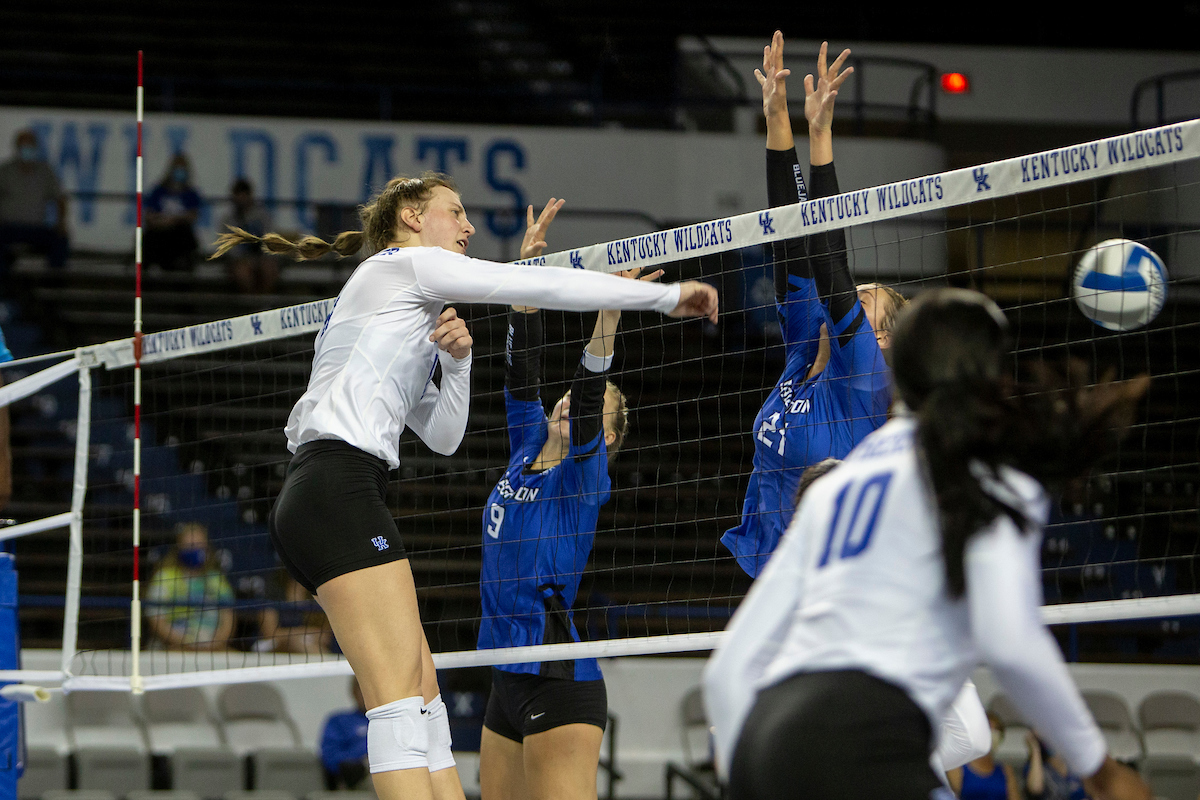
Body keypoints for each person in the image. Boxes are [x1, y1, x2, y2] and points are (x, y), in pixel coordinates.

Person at [213, 171, 718, 800]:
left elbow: (446, 436)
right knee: (397, 698)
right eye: (457, 212)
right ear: (414, 218)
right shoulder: (403, 267)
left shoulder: (406, 308)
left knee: (423, 687)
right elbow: (527, 285)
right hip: (333, 486)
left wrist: (457, 362)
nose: (470, 226)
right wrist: (665, 299)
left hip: (340, 491)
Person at [703, 287, 1151, 800]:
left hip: (771, 743)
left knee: (961, 740)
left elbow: (727, 673)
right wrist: (1099, 769)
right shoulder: (986, 480)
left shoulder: (833, 487)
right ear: (989, 376)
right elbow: (1011, 642)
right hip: (865, 735)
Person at [721, 34, 906, 578]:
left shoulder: (864, 379)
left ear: (885, 339)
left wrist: (820, 136)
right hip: (764, 576)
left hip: (826, 585)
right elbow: (790, 243)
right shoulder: (804, 353)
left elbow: (831, 266)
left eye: (865, 302)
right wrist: (778, 121)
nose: (851, 299)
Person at [477, 266, 657, 800]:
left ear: (602, 436)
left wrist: (607, 316)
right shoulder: (526, 447)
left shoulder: (584, 477)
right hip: (505, 674)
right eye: (569, 398)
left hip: (556, 677)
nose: (567, 403)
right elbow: (520, 372)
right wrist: (525, 284)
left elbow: (585, 393)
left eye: (585, 409)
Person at [145, 522, 235, 651]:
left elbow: (228, 619)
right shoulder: (165, 577)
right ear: (179, 547)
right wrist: (187, 644)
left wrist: (214, 644)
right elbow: (157, 621)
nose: (194, 549)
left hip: (214, 647)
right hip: (174, 646)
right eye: (189, 545)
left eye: (199, 544)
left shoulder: (217, 579)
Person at [0, 130, 69, 282]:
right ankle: (5, 288)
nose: (27, 150)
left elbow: (60, 198)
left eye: (30, 146)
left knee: (60, 239)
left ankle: (52, 288)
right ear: (17, 148)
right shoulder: (5, 171)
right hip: (8, 228)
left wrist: (61, 222)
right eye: (23, 146)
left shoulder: (45, 171)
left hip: (35, 229)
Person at [219, 178, 280, 294]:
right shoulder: (228, 218)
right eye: (238, 195)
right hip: (239, 259)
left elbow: (271, 238)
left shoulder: (262, 215)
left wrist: (262, 256)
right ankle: (251, 300)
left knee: (269, 269)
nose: (241, 199)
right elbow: (227, 246)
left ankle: (263, 302)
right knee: (243, 272)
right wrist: (242, 258)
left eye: (244, 195)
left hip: (261, 257)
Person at [144, 153, 202, 271]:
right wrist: (163, 222)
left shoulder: (191, 193)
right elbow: (149, 216)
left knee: (186, 236)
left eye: (182, 169)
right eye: (177, 168)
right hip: (159, 232)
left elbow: (192, 216)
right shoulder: (158, 191)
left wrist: (172, 220)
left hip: (179, 235)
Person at [947, 713, 1022, 800]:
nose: (993, 733)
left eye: (997, 730)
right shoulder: (958, 767)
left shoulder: (1005, 770)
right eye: (989, 727)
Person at [320, 678, 370, 790]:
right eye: (362, 688)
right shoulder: (339, 721)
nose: (368, 693)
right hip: (357, 779)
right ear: (354, 691)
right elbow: (331, 758)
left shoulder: (395, 721)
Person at [1025, 731, 1092, 800]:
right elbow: (1035, 789)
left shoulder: (1076, 766)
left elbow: (1094, 792)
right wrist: (1035, 750)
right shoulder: (1036, 766)